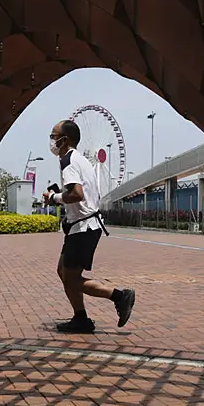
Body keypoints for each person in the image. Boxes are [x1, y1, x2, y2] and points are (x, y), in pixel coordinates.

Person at [43, 120, 135, 333]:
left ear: (65, 139)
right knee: (63, 272)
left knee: (72, 279)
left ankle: (120, 296)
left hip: (84, 228)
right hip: (83, 226)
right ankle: (80, 318)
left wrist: (54, 197)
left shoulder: (68, 161)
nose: (52, 140)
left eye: (53, 135)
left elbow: (77, 194)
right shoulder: (81, 160)